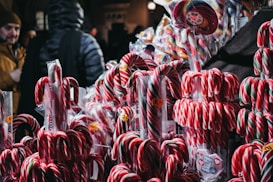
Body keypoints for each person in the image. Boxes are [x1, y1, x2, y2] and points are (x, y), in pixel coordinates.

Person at [18, 0, 105, 125]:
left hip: (38, 123)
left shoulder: (36, 44)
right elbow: (98, 88)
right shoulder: (86, 42)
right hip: (76, 123)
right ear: (77, 15)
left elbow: (26, 83)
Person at [0, 10, 25, 116]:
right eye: (8, 28)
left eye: (17, 29)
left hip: (21, 115)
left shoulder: (23, 53)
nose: (14, 33)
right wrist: (11, 77)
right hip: (3, 116)